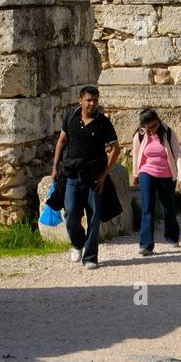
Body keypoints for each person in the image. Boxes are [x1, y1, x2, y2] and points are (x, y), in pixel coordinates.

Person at [51, 85, 120, 270]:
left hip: (95, 177)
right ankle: (77, 244)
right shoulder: (71, 117)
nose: (92, 103)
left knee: (94, 217)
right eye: (89, 100)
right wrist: (55, 166)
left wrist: (105, 175)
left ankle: (90, 257)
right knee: (71, 214)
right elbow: (62, 141)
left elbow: (116, 149)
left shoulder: (103, 122)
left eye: (95, 100)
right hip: (72, 175)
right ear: (80, 100)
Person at [132, 108, 181, 256]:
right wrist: (136, 174)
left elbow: (178, 156)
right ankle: (146, 245)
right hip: (146, 172)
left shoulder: (168, 132)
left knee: (168, 208)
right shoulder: (140, 135)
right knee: (147, 208)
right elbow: (136, 154)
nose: (152, 130)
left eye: (154, 125)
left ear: (158, 121)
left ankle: (172, 236)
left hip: (166, 174)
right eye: (148, 127)